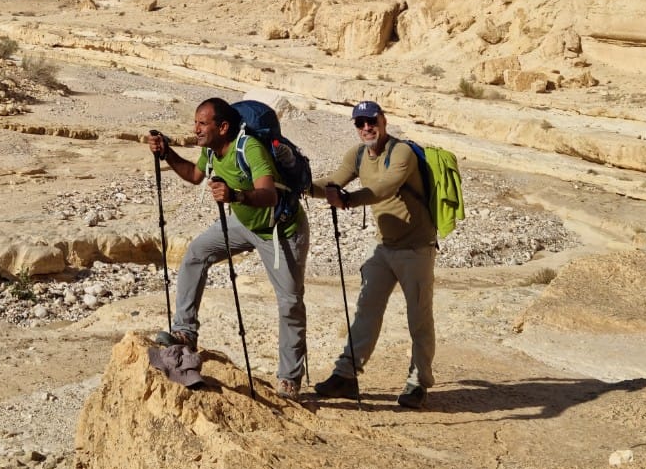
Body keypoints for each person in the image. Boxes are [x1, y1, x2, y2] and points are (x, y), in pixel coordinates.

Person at [145, 97, 309, 399]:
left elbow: (269, 194)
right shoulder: (210, 150)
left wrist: (236, 195)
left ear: (223, 127)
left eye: (202, 123)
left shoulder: (250, 148)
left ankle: (289, 378)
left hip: (280, 229)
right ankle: (185, 332)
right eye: (196, 122)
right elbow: (194, 177)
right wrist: (167, 153)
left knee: (290, 302)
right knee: (196, 254)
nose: (196, 129)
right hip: (245, 223)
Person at [311, 99, 436, 409]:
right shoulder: (356, 155)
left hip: (416, 248)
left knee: (418, 316)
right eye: (360, 123)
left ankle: (418, 381)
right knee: (366, 309)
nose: (366, 127)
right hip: (383, 246)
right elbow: (332, 183)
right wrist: (297, 185)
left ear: (384, 121)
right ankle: (345, 375)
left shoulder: (401, 152)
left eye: (371, 121)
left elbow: (384, 187)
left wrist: (348, 200)